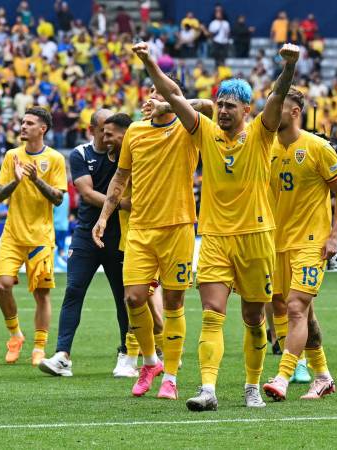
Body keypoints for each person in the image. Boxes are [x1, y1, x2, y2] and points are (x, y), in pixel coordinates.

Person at [132, 41, 300, 410]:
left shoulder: (260, 132)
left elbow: (278, 95)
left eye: (230, 105)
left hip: (256, 237)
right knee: (212, 313)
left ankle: (252, 386)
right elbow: (173, 94)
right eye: (219, 104)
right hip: (214, 238)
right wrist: (148, 62)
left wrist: (288, 67)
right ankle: (208, 389)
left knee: (254, 317)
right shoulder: (204, 131)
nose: (223, 110)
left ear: (246, 109)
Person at [93, 72, 213, 400]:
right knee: (133, 297)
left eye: (159, 93)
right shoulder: (135, 132)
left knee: (174, 303)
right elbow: (120, 178)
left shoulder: (190, 127)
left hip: (178, 228)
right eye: (149, 91)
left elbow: (210, 106)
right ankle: (150, 362)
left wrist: (170, 102)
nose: (151, 97)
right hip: (141, 229)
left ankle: (171, 376)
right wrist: (104, 217)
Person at [262, 88, 337, 401]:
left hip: (311, 242)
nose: (270, 111)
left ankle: (283, 376)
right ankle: (323, 376)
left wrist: (334, 235)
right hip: (275, 242)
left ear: (295, 111)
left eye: (278, 106)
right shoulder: (265, 145)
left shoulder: (318, 147)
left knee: (296, 307)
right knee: (296, 312)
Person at [38, 110, 133, 378]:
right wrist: (121, 203)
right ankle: (62, 355)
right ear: (93, 129)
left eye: (111, 130)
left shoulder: (127, 154)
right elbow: (87, 193)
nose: (107, 135)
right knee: (74, 290)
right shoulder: (80, 154)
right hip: (85, 234)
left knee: (124, 297)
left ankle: (126, 354)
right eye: (103, 129)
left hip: (119, 235)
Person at [0, 107, 67, 366]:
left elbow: (58, 198)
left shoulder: (55, 158)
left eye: (29, 123)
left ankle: (39, 347)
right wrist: (15, 181)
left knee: (42, 295)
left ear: (42, 129)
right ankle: (15, 336)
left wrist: (36, 180)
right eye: (22, 122)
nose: (23, 126)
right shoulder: (12, 156)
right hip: (13, 235)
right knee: (3, 285)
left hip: (40, 237)